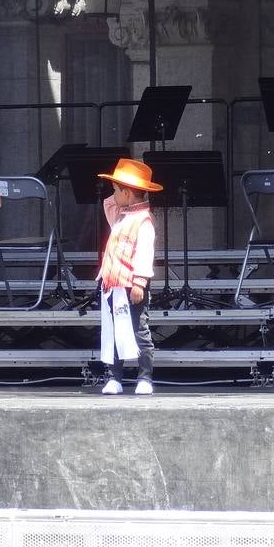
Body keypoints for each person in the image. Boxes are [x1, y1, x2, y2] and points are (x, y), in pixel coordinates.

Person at [93, 158, 160, 395]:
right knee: (112, 331)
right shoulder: (121, 216)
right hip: (113, 284)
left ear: (128, 193)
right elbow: (109, 204)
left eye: (117, 190)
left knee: (138, 330)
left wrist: (139, 283)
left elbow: (144, 253)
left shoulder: (143, 221)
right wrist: (119, 189)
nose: (114, 195)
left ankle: (145, 377)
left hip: (132, 284)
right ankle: (114, 377)